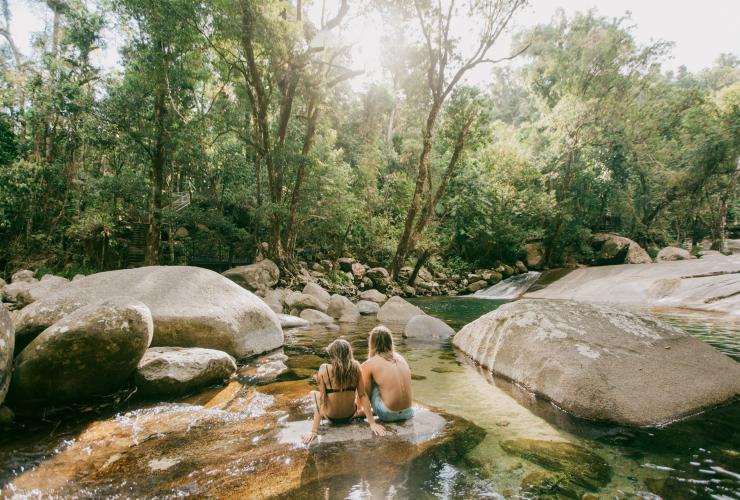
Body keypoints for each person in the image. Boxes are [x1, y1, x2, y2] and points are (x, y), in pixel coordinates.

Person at [303, 338, 386, 444]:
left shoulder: (324, 369)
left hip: (331, 417)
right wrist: (372, 423)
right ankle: (365, 413)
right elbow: (363, 395)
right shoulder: (356, 367)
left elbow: (322, 399)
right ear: (348, 353)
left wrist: (314, 431)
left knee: (315, 394)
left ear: (333, 355)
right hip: (349, 415)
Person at [357, 325, 414, 422]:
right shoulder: (401, 358)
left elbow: (364, 393)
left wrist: (358, 409)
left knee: (368, 381)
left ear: (372, 343)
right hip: (408, 412)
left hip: (389, 414)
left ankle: (359, 411)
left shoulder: (369, 364)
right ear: (390, 342)